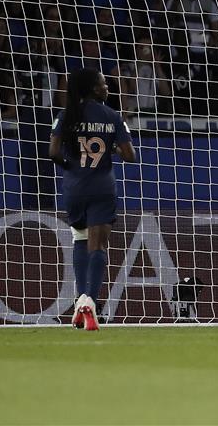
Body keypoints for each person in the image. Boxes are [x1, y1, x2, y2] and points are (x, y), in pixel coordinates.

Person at [48, 68, 136, 331]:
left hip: (75, 187)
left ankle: (80, 301)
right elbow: (130, 155)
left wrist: (72, 167)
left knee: (80, 238)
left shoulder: (66, 116)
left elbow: (53, 152)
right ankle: (90, 302)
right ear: (93, 89)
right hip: (102, 187)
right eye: (103, 83)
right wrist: (112, 148)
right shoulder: (112, 117)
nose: (107, 86)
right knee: (98, 246)